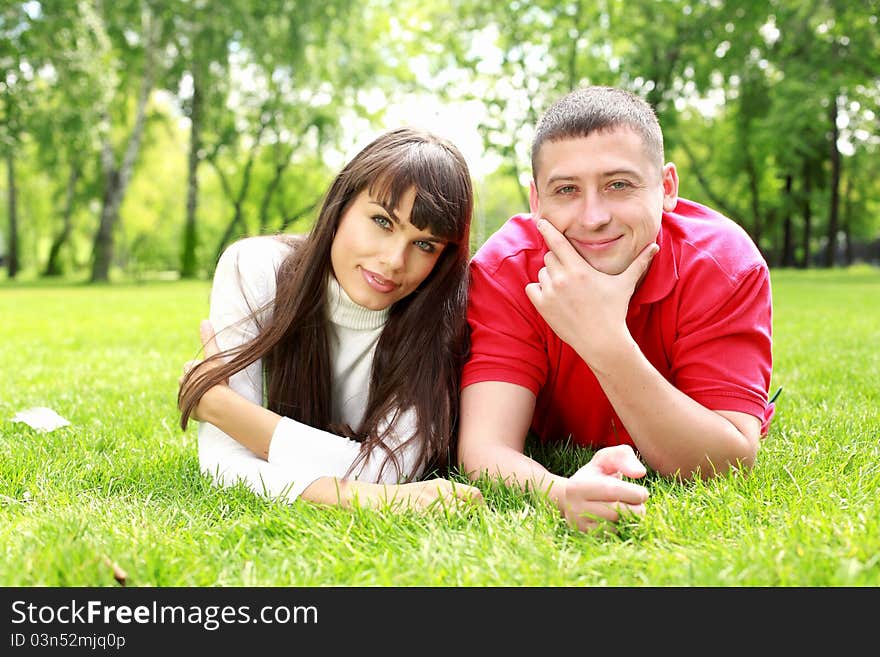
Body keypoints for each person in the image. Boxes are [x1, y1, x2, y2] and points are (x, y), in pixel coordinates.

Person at [458, 86, 773, 532]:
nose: (593, 217)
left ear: (666, 188)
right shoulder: (504, 270)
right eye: (566, 190)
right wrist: (560, 492)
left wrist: (603, 340)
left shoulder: (723, 265)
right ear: (535, 202)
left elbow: (726, 461)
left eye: (618, 185)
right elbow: (484, 449)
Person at [178, 127, 483, 512]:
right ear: (341, 206)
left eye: (425, 245)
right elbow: (224, 462)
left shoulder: (440, 317)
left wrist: (223, 409)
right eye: (382, 221)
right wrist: (374, 499)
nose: (393, 261)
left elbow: (392, 469)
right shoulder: (255, 270)